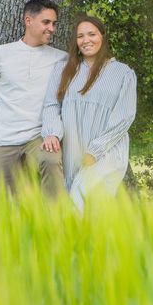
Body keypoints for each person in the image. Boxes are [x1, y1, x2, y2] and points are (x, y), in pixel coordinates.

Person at [0, 0, 68, 200]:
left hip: (40, 138)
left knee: (51, 162)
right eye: (46, 22)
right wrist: (0, 124)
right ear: (28, 20)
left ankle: (57, 224)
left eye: (54, 23)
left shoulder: (61, 58)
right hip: (5, 139)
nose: (51, 28)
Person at [41, 15, 137, 211]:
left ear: (102, 36)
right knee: (80, 205)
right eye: (80, 36)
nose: (86, 40)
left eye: (92, 34)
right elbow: (51, 105)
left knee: (80, 198)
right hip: (72, 148)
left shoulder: (123, 73)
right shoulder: (63, 69)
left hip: (106, 151)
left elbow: (125, 116)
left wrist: (95, 150)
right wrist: (51, 132)